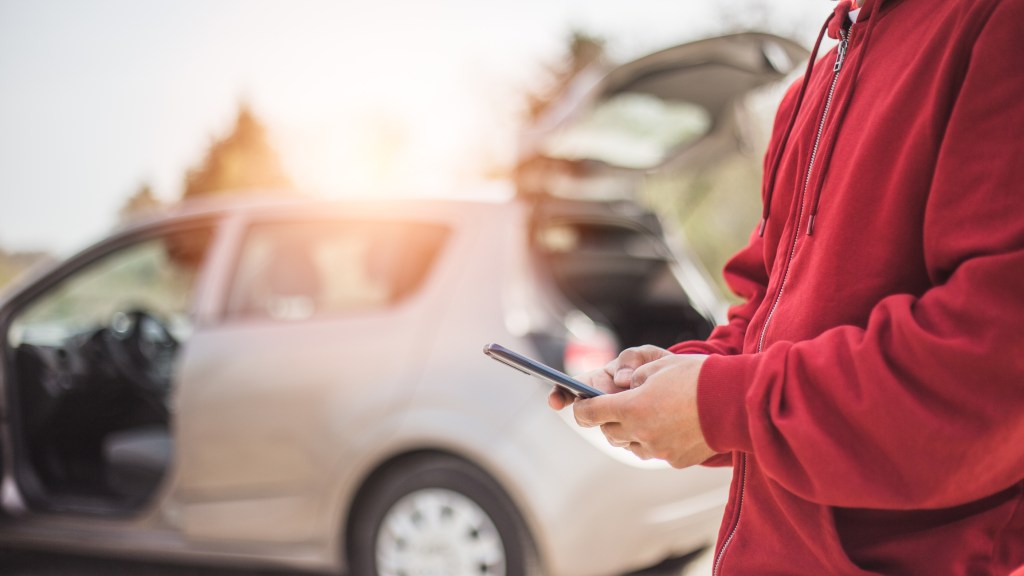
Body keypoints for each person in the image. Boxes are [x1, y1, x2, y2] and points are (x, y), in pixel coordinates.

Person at [548, 0, 1024, 573]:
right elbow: (765, 316)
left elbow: (990, 364)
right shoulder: (813, 87)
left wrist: (722, 404)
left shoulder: (998, 23)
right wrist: (678, 381)